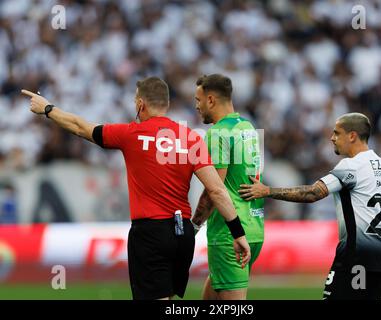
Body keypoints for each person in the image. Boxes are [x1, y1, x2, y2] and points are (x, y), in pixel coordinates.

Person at [21, 76, 251, 300]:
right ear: (167, 104)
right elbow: (217, 190)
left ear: (141, 104)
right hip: (182, 236)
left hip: (150, 233)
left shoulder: (131, 133)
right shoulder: (190, 138)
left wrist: (48, 109)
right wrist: (238, 233)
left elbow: (80, 127)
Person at [239, 113, 381, 300]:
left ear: (352, 136)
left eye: (337, 133)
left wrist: (267, 191)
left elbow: (313, 193)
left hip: (356, 258)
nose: (332, 138)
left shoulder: (350, 166)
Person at [192, 74, 264, 300]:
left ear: (211, 100)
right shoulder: (246, 127)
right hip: (254, 227)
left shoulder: (218, 133)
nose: (197, 106)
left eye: (198, 100)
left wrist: (194, 225)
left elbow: (215, 189)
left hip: (229, 233)